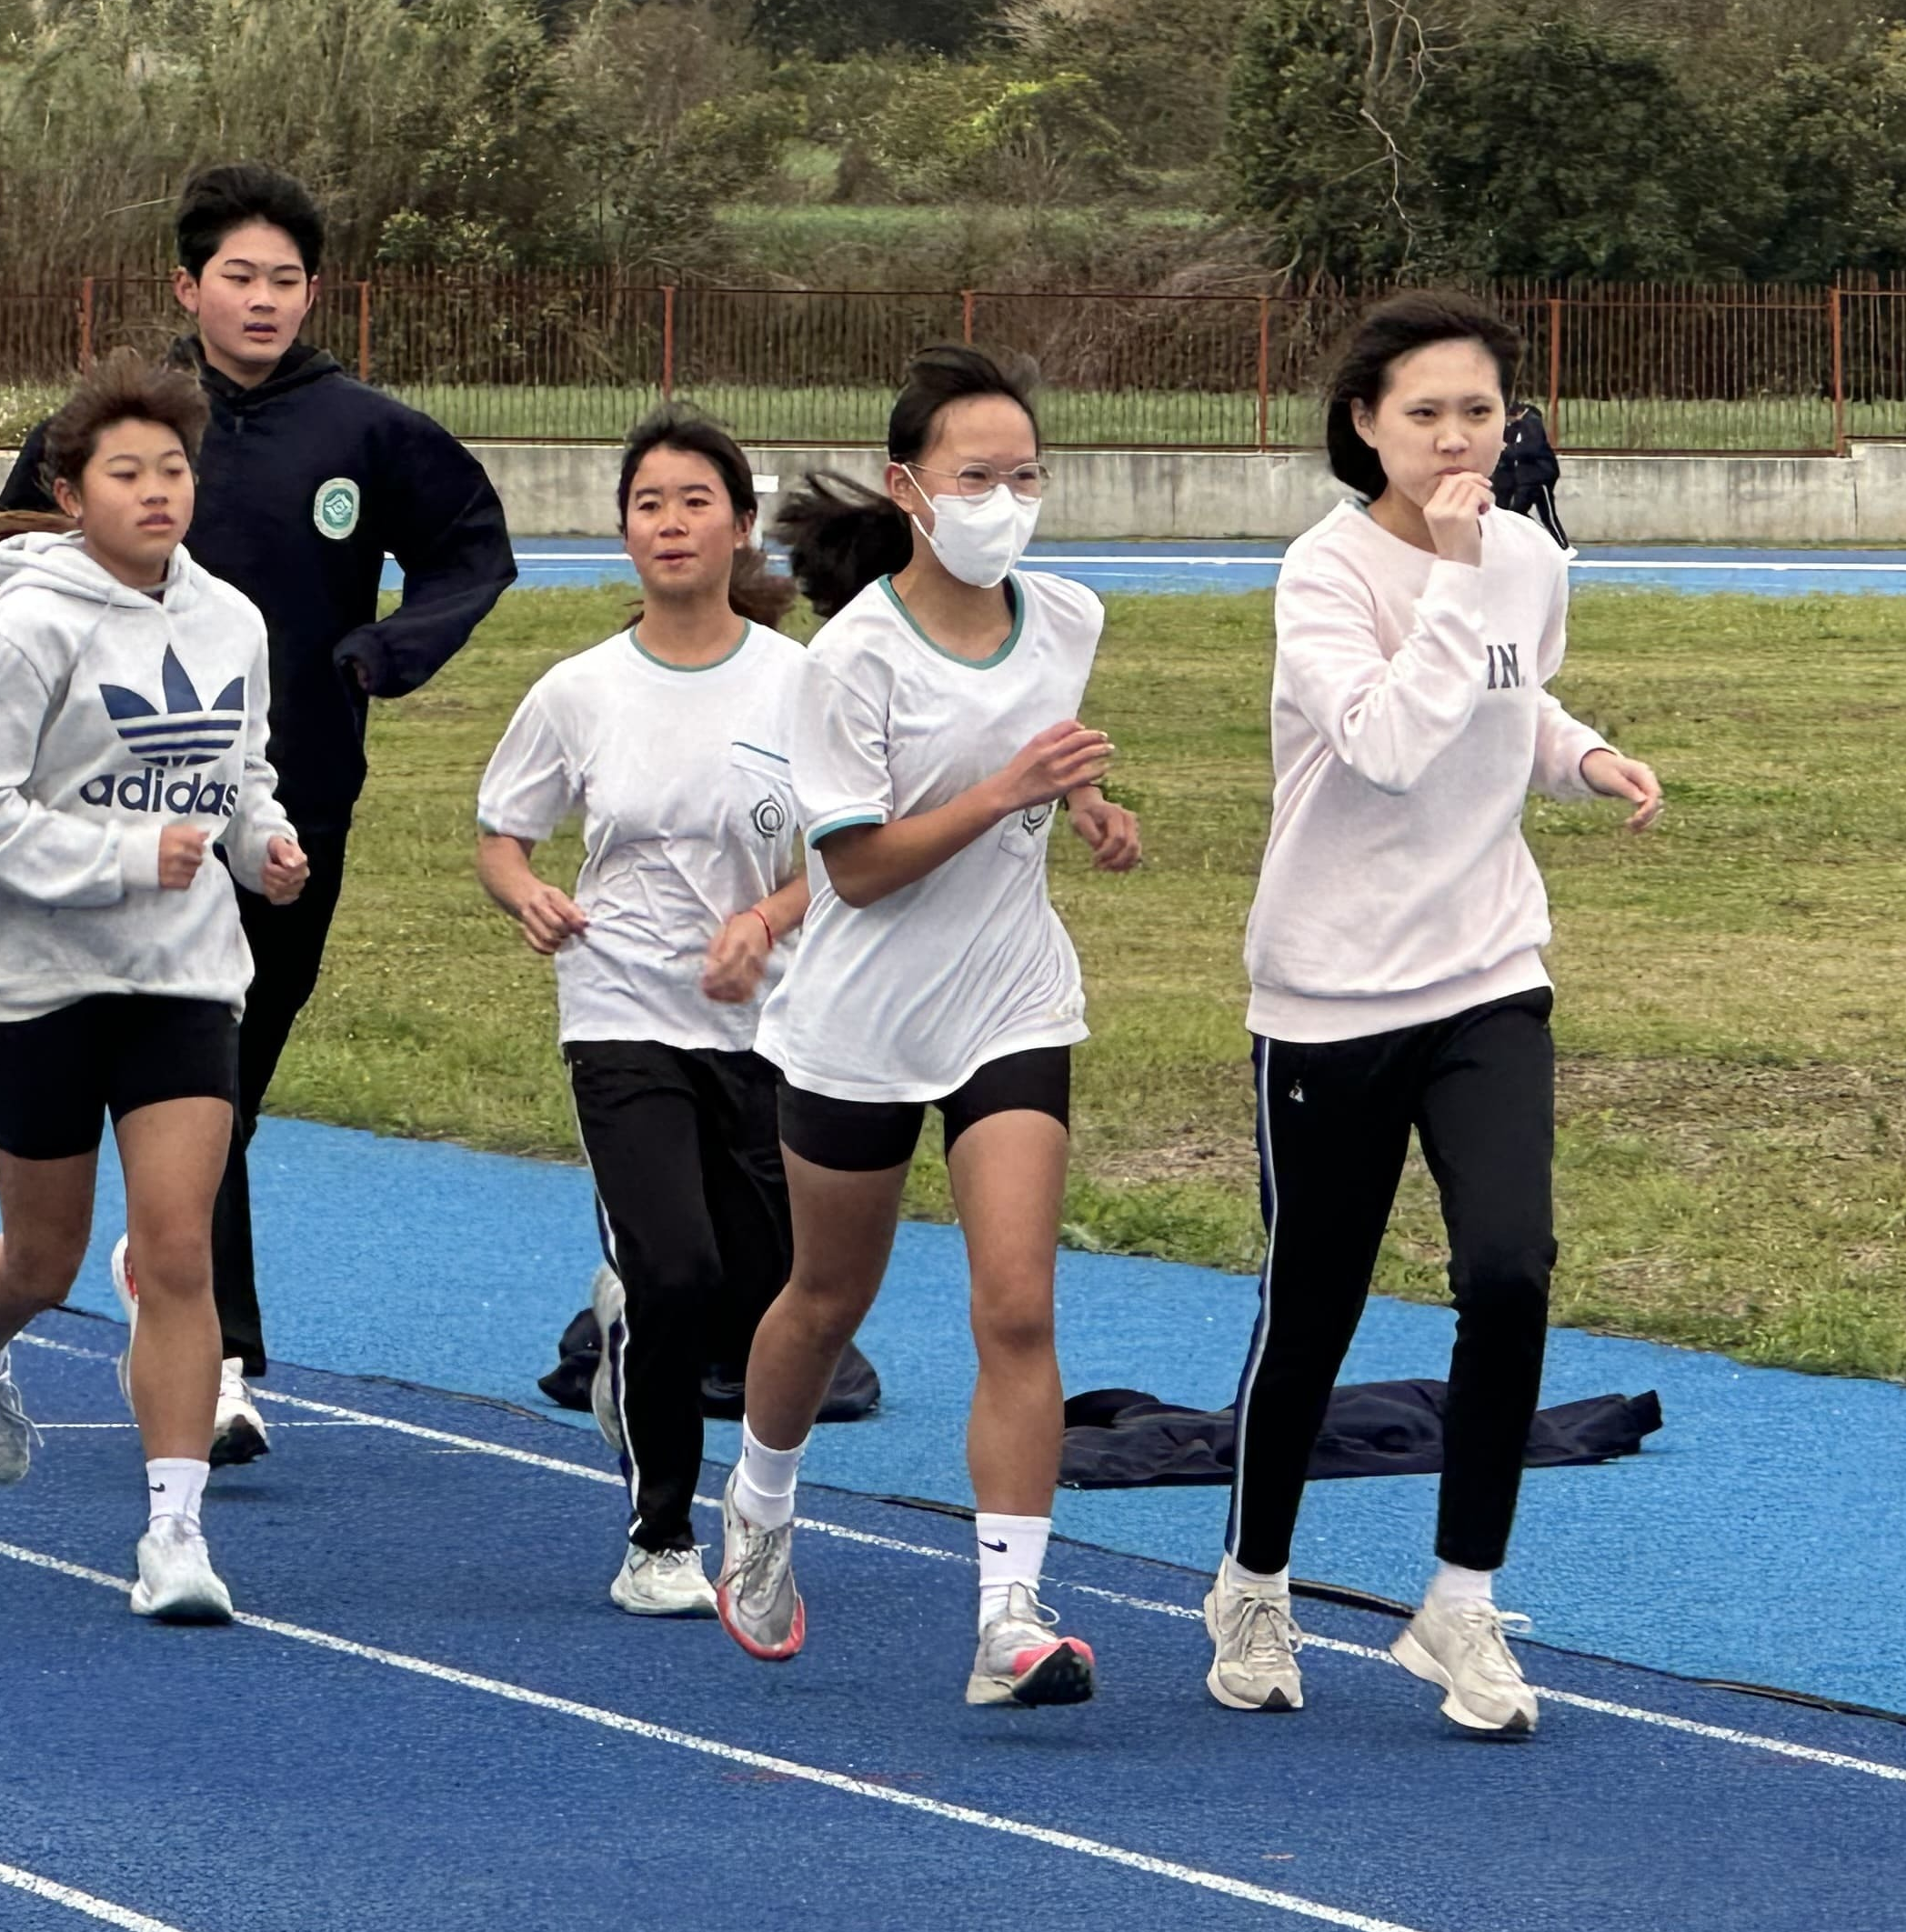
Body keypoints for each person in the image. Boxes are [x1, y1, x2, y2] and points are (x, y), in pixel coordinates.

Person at [0, 164, 515, 1459]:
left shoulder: (365, 432)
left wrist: (378, 654)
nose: (263, 299)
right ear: (187, 287)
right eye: (239, 276)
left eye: (286, 279)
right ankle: (214, 1351)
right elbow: (8, 559)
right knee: (198, 1081)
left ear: (314, 292)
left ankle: (168, 1268)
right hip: (128, 822)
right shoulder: (117, 430)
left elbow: (474, 547)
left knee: (234, 1079)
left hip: (295, 807)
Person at [1204, 292, 1664, 1737]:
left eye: (1478, 411)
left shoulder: (1525, 558)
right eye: (1424, 414)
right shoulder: (1323, 575)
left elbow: (1509, 700)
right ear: (1364, 425)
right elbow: (1393, 741)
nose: (1456, 439)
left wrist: (1583, 756)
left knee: (1509, 1269)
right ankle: (1252, 1579)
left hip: (1486, 971)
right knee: (1316, 1306)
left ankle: (1459, 1600)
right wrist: (1458, 569)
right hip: (1330, 991)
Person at [708, 345, 1143, 1707]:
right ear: (909, 489)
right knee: (825, 1299)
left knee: (1017, 1303)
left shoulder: (1066, 616)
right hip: (861, 1019)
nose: (1005, 501)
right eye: (976, 477)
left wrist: (1084, 804)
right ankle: (760, 1503)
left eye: (1026, 476)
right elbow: (855, 868)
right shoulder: (849, 659)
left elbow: (1042, 740)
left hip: (1010, 996)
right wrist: (1010, 786)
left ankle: (1009, 1617)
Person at [0, 351, 308, 1626]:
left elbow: (240, 774)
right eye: (125, 472)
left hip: (184, 973)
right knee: (44, 1257)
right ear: (71, 495)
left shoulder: (232, 620)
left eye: (173, 469)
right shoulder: (23, 632)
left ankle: (174, 1534)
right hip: (33, 977)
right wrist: (124, 856)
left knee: (179, 1246)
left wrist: (263, 844)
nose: (156, 491)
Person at [476, 408, 810, 1617]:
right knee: (675, 1267)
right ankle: (660, 1535)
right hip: (618, 1010)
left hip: (767, 1026)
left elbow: (846, 856)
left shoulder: (802, 685)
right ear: (624, 531)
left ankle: (641, 1342)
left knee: (763, 1292)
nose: (670, 524)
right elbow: (503, 834)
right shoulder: (580, 691)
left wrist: (762, 921)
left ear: (741, 526)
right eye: (648, 504)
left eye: (694, 501)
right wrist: (527, 894)